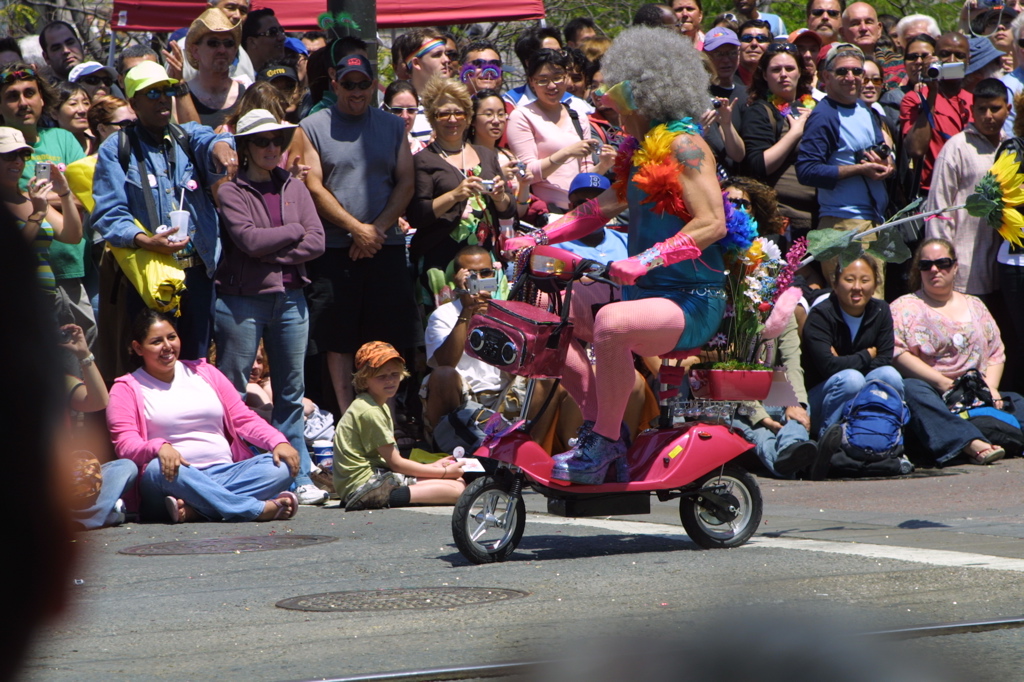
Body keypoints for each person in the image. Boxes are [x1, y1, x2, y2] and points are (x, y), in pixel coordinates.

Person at [505, 26, 728, 484]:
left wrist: (645, 260)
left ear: (645, 98)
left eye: (619, 102)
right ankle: (600, 426)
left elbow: (712, 223)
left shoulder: (684, 145)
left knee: (611, 324)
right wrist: (539, 237)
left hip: (693, 298)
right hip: (647, 296)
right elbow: (599, 208)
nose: (611, 111)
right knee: (546, 320)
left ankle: (604, 446)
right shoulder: (641, 150)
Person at [92, 61, 236, 379]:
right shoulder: (117, 149)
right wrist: (146, 241)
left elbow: (210, 138)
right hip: (149, 275)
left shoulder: (186, 137)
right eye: (152, 93)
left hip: (197, 274)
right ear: (133, 103)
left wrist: (224, 145)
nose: (162, 99)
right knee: (150, 364)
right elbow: (108, 213)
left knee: (196, 362)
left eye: (167, 91)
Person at [213, 108, 327, 505]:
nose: (271, 147)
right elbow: (248, 241)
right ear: (244, 147)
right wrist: (292, 235)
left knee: (291, 394)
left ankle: (298, 475)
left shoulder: (294, 186)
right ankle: (232, 469)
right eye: (261, 141)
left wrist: (273, 245)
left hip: (292, 298)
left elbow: (317, 242)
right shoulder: (230, 190)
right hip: (242, 300)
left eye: (276, 140)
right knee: (231, 390)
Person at [296, 53, 417, 415]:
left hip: (386, 246)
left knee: (386, 337)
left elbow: (406, 181)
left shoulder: (393, 126)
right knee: (338, 338)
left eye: (363, 83)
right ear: (335, 83)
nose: (357, 91)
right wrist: (355, 230)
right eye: (349, 84)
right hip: (335, 249)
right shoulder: (312, 126)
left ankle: (385, 417)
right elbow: (313, 186)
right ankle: (347, 417)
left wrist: (376, 231)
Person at [107, 310, 301, 522]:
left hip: (227, 471)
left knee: (281, 466)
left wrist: (277, 442)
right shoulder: (125, 388)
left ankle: (195, 510)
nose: (167, 346)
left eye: (171, 337)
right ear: (138, 348)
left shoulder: (205, 372)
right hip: (175, 476)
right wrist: (158, 447)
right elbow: (125, 444)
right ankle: (253, 509)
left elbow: (242, 417)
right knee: (156, 469)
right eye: (156, 341)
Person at [892, 239, 1023, 466]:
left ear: (954, 267)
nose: (934, 270)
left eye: (942, 263)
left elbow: (995, 352)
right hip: (934, 394)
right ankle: (969, 442)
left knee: (1018, 402)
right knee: (911, 390)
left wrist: (990, 388)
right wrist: (945, 384)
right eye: (926, 265)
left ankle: (990, 434)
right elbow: (897, 352)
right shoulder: (904, 307)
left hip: (978, 395)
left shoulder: (975, 305)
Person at [407, 78, 514, 310]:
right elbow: (417, 215)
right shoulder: (423, 160)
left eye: (459, 113)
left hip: (485, 260)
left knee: (489, 326)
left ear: (468, 117)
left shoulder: (487, 155)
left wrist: (498, 196)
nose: (452, 119)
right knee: (446, 332)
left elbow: (509, 207)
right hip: (441, 260)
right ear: (433, 118)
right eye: (443, 114)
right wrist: (454, 195)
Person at [796, 43, 894, 284]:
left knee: (873, 303)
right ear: (826, 77)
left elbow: (886, 153)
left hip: (874, 221)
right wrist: (859, 169)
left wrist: (887, 164)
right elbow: (806, 171)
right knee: (853, 302)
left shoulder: (866, 110)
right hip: (841, 224)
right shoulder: (824, 115)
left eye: (857, 71)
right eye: (842, 72)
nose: (851, 77)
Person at [333, 341, 466, 511]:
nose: (390, 381)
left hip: (377, 478)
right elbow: (395, 463)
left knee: (458, 482)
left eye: (394, 374)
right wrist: (443, 473)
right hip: (365, 487)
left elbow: (393, 460)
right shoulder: (369, 411)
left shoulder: (377, 405)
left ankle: (394, 493)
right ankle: (383, 498)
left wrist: (434, 466)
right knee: (457, 489)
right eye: (381, 376)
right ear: (364, 380)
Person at [923, 78, 1010, 299]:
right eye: (981, 109)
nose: (988, 115)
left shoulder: (1011, 148)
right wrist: (943, 263)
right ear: (972, 110)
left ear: (1008, 109)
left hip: (1003, 270)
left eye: (995, 108)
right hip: (965, 270)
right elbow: (938, 210)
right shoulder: (957, 148)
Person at [802, 256, 903, 440]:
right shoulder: (821, 315)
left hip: (860, 394)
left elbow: (884, 359)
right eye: (849, 280)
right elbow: (827, 367)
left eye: (865, 280)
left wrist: (843, 361)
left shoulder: (881, 310)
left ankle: (891, 439)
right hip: (821, 401)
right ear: (835, 283)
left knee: (889, 375)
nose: (857, 287)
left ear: (875, 285)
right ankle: (827, 443)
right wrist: (866, 355)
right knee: (851, 379)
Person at [506, 49, 614, 215]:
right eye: (542, 80)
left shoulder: (577, 116)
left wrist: (604, 164)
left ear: (566, 78)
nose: (551, 86)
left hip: (579, 212)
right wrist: (567, 153)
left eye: (557, 78)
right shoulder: (521, 116)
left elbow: (584, 176)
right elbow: (527, 173)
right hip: (546, 213)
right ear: (531, 82)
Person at [741, 43, 816, 237]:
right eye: (776, 69)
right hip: (782, 219)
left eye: (790, 68)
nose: (784, 74)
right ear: (765, 75)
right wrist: (794, 133)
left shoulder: (812, 108)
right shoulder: (760, 110)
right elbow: (758, 165)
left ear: (800, 72)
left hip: (817, 216)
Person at [0, 127, 82, 298]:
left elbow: (72, 236)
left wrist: (64, 193)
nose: (18, 162)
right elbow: (11, 253)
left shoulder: (31, 200)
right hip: (13, 301)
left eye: (23, 155)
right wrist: (37, 215)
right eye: (9, 155)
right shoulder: (35, 208)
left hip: (46, 300)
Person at [899, 32, 973, 195]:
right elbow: (916, 150)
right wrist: (931, 93)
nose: (952, 61)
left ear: (969, 60)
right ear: (934, 58)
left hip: (970, 194)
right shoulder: (915, 99)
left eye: (959, 55)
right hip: (932, 193)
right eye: (945, 55)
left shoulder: (975, 102)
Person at [185, 8, 248, 130]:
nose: (222, 50)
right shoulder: (179, 97)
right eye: (213, 43)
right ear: (195, 51)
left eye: (228, 43)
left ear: (235, 50)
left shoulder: (246, 96)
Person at [879, 33, 935, 129]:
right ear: (904, 63)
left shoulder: (949, 93)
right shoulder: (893, 98)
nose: (918, 61)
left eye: (925, 56)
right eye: (912, 57)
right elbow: (902, 138)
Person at [382, 80, 424, 154]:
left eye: (411, 110)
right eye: (397, 110)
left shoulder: (423, 150)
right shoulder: (374, 148)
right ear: (385, 109)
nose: (405, 116)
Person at [54, 81, 93, 154]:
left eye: (86, 103)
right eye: (73, 104)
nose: (82, 110)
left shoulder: (102, 146)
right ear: (54, 113)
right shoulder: (49, 149)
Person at [242, 8, 285, 73]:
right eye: (272, 32)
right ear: (252, 42)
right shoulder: (236, 78)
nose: (282, 37)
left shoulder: (282, 76)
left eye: (281, 30)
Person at [737, 19, 773, 86]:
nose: (754, 43)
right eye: (747, 38)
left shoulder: (776, 81)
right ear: (738, 45)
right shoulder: (726, 79)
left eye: (761, 39)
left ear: (770, 45)